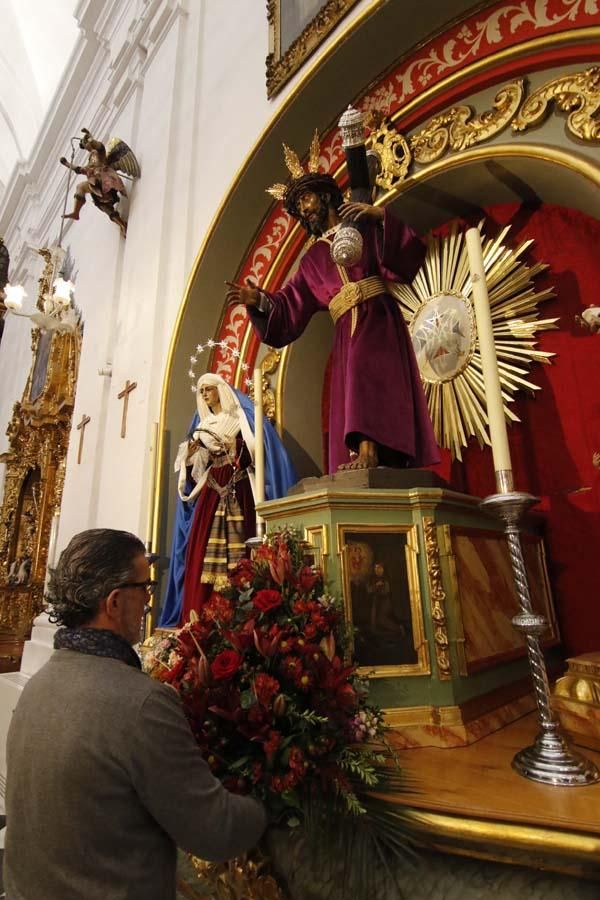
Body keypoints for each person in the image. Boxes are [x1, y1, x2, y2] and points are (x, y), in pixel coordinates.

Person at [4, 528, 267, 900]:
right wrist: (267, 806)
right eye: (145, 587)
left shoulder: (39, 684)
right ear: (113, 602)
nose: (148, 600)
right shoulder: (141, 703)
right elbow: (216, 832)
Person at [226, 158, 439, 473]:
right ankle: (363, 453)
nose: (304, 208)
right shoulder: (312, 259)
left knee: (366, 372)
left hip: (377, 318)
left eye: (307, 198)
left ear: (325, 196)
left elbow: (404, 258)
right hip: (345, 332)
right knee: (353, 379)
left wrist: (380, 217)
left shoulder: (362, 225)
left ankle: (372, 451)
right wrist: (258, 299)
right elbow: (289, 305)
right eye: (299, 205)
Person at [158, 373, 296, 627]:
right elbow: (195, 472)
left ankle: (241, 617)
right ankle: (201, 618)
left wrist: (235, 445)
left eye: (208, 390)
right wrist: (191, 455)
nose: (205, 395)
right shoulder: (205, 423)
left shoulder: (239, 419)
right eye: (201, 392)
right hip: (211, 489)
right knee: (201, 548)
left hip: (238, 485)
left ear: (220, 390)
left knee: (242, 543)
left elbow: (256, 454)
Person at [59, 128, 136, 238]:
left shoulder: (99, 153)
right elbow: (80, 170)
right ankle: (76, 213)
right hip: (96, 186)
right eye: (84, 145)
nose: (86, 146)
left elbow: (100, 147)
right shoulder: (91, 159)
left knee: (96, 178)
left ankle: (121, 223)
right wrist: (67, 164)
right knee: (81, 187)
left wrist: (90, 139)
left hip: (105, 179)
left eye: (85, 144)